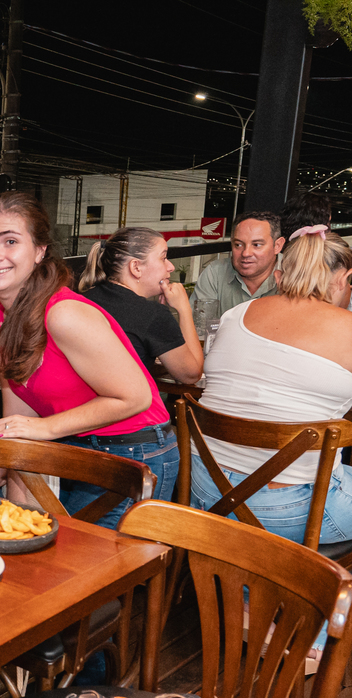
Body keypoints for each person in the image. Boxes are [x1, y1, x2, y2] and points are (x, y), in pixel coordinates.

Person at [0, 192, 178, 527]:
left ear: (40, 251)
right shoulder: (1, 319)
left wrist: (45, 428)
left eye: (10, 241)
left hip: (133, 453)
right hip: (76, 448)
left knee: (86, 558)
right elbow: (19, 422)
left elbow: (136, 397)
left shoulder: (63, 313)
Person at [190, 225, 352, 544]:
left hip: (207, 493)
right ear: (343, 279)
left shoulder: (236, 314)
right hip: (296, 512)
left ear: (279, 275)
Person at [78, 227, 204, 384]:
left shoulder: (81, 299)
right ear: (136, 268)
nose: (171, 267)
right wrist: (184, 309)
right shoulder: (152, 315)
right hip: (123, 398)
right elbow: (191, 374)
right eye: (163, 258)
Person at [190, 211, 285, 316]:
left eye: (256, 245)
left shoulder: (294, 273)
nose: (246, 253)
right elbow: (199, 323)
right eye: (238, 245)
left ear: (278, 246)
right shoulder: (215, 273)